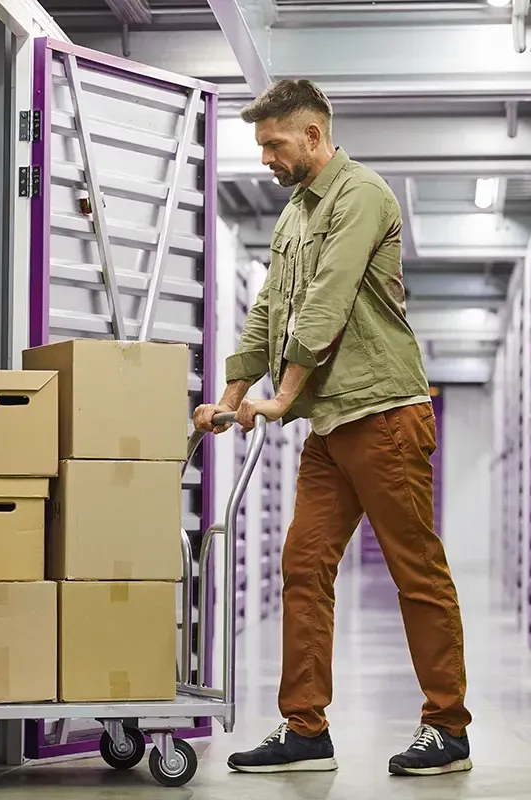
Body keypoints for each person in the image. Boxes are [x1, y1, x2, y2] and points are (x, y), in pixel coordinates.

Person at [193, 79, 472, 777]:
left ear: (313, 136)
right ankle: (305, 729)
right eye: (260, 146)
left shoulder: (363, 196)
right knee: (304, 564)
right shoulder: (292, 216)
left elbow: (328, 304)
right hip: (330, 426)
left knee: (417, 571)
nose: (265, 158)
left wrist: (281, 399)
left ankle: (447, 727)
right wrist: (230, 397)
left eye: (273, 144)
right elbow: (268, 315)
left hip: (384, 414)